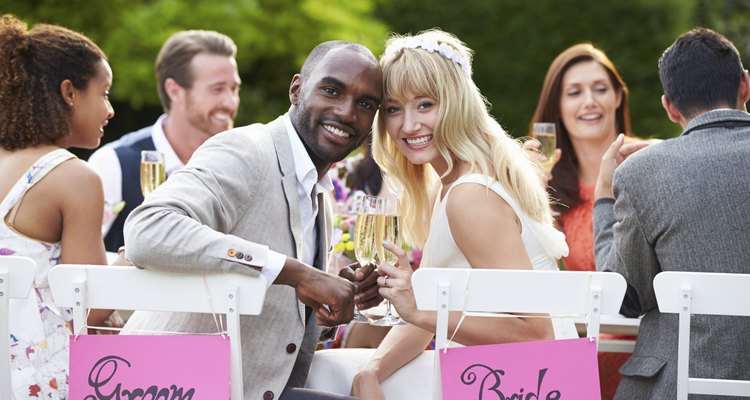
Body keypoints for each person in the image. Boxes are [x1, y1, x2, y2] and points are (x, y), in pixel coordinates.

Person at [122, 40, 384, 400]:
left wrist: (324, 302)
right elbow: (148, 229)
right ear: (296, 89)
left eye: (366, 104)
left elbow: (270, 306)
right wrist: (297, 272)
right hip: (168, 384)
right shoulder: (247, 150)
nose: (347, 112)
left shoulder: (317, 190)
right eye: (331, 90)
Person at [350, 29, 576, 399]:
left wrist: (418, 312)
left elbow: (536, 333)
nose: (408, 125)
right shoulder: (452, 183)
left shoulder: (470, 195)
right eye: (393, 109)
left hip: (529, 382)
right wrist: (372, 371)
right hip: (495, 379)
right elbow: (432, 312)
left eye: (425, 105)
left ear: (457, 103)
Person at [594, 28, 750, 399]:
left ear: (669, 107)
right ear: (746, 85)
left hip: (678, 387)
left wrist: (603, 200)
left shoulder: (642, 174)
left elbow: (622, 298)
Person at [0, 14, 116, 398]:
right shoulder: (73, 178)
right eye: (104, 93)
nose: (110, 110)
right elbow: (92, 308)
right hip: (40, 379)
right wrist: (131, 265)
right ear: (69, 92)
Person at [527, 43, 634, 399]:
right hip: (574, 356)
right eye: (574, 92)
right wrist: (526, 198)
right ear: (558, 105)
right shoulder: (546, 184)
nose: (589, 101)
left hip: (643, 355)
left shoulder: (651, 164)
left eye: (600, 89)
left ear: (618, 97)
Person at [88, 29, 240, 252]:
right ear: (175, 91)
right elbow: (81, 265)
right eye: (217, 89)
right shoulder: (112, 164)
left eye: (234, 89)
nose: (230, 102)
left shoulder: (239, 165)